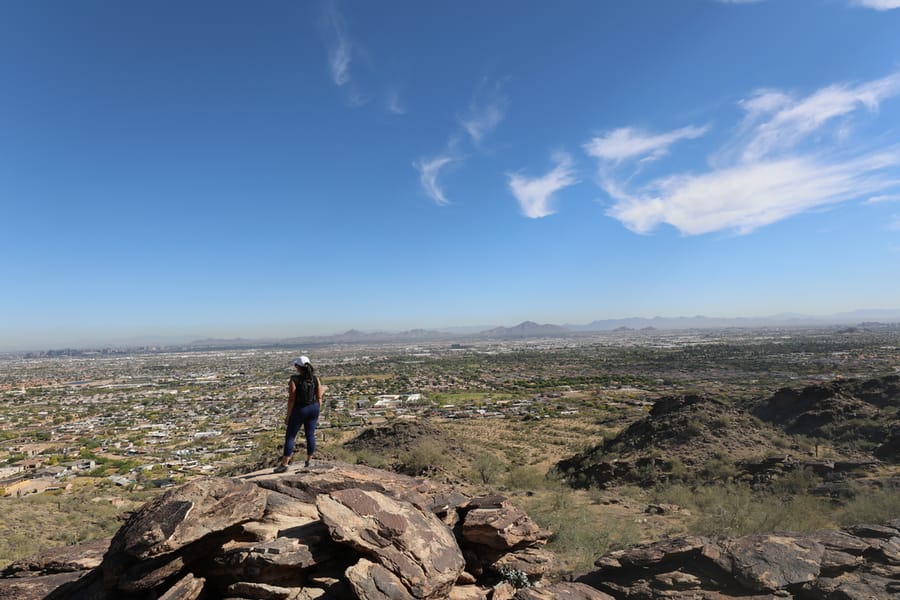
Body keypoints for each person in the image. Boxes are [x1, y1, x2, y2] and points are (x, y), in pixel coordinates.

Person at [274, 355, 323, 473]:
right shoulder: (315, 379)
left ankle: (284, 464)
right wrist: (317, 410)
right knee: (310, 435)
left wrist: (288, 416)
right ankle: (309, 461)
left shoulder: (294, 379)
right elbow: (320, 396)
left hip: (300, 410)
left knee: (290, 436)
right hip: (313, 408)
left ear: (297, 367)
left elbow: (291, 399)